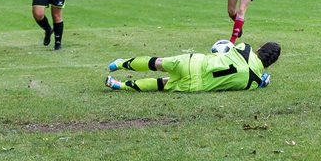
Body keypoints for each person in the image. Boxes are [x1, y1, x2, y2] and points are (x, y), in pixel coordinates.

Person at [105, 41, 280, 92]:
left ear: (259, 49)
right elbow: (257, 79)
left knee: (158, 63)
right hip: (196, 86)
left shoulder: (246, 48)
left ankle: (120, 63)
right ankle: (118, 85)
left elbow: (228, 47)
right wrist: (263, 83)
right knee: (162, 83)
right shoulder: (254, 83)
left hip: (194, 63)